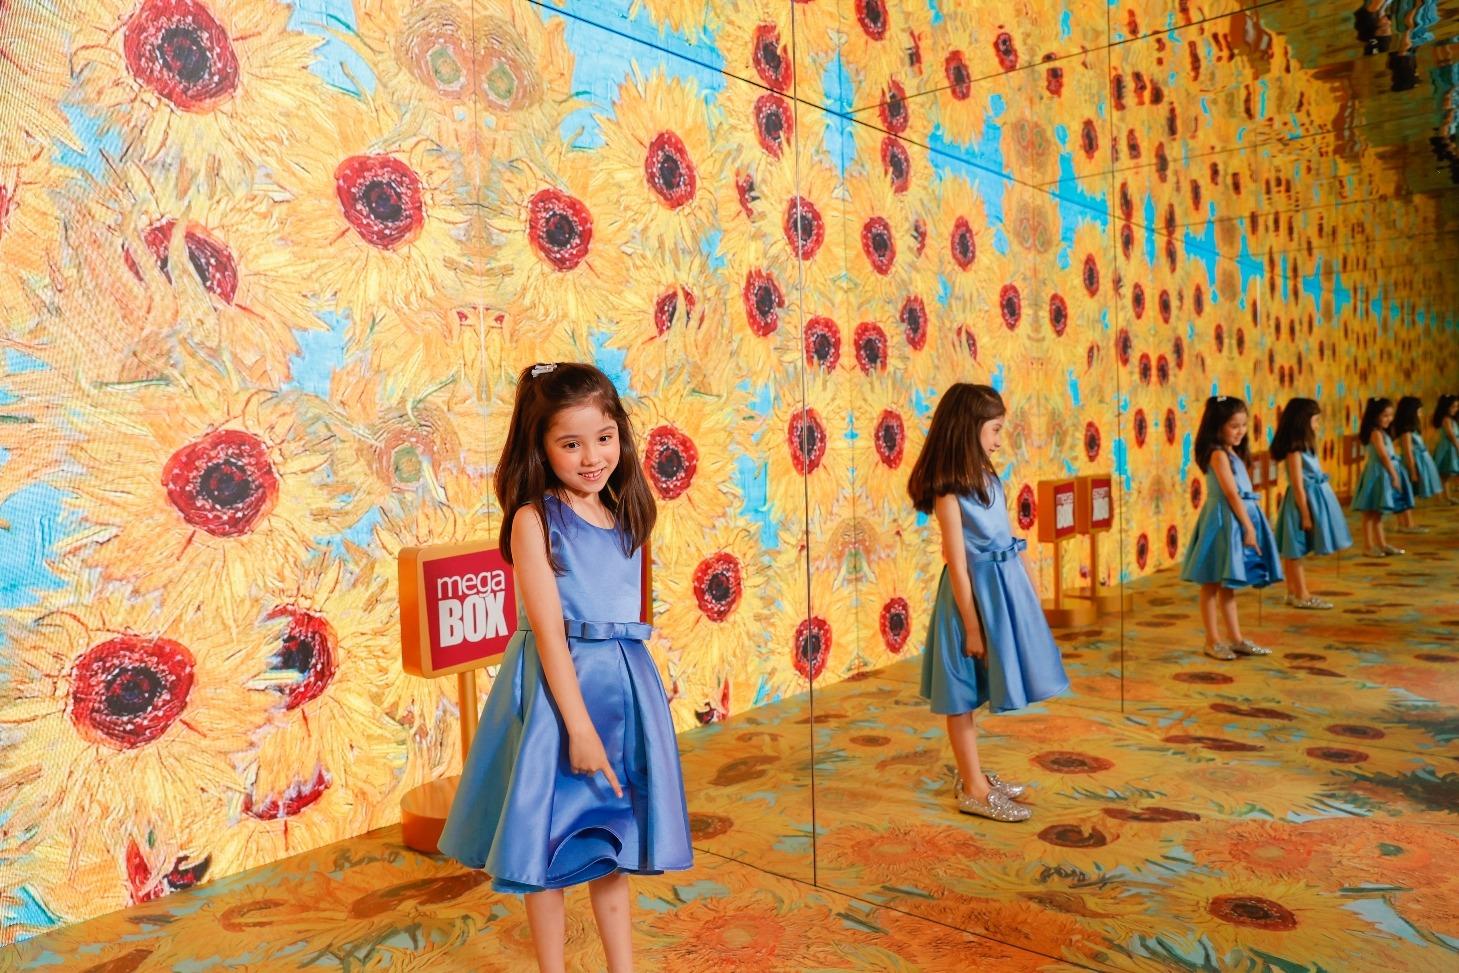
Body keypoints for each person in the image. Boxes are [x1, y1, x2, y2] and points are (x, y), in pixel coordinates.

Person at [438, 362, 691, 973]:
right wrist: (577, 728)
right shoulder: (536, 520)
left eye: (604, 437)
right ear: (541, 446)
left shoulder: (625, 513)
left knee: (612, 841)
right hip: (559, 700)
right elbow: (549, 633)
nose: (592, 457)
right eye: (571, 444)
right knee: (546, 845)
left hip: (622, 693)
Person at [908, 384, 1069, 823]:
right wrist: (972, 626)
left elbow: (1009, 536)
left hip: (1002, 592)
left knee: (981, 686)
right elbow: (957, 563)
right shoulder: (949, 492)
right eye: (994, 429)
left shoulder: (987, 476)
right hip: (970, 602)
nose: (999, 440)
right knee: (959, 693)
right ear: (968, 428)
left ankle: (974, 775)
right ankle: (974, 789)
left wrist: (1030, 592)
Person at [1180, 396, 1283, 660]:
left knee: (1228, 583)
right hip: (1223, 520)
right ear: (1217, 426)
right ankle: (1212, 640)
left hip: (1234, 519)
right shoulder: (1218, 455)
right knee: (1211, 582)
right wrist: (1249, 527)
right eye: (1234, 426)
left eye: (1244, 425)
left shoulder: (1232, 452)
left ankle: (1235, 638)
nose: (1240, 431)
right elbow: (1231, 494)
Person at [1271, 398, 1352, 609]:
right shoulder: (1295, 451)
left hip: (1311, 500)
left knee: (1294, 550)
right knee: (1294, 550)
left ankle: (1293, 592)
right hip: (1301, 504)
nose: (1317, 426)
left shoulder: (1307, 446)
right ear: (1302, 422)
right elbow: (1298, 485)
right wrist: (1306, 514)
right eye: (1315, 421)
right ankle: (1302, 595)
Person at [1352, 396, 1411, 557]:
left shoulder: (1382, 433)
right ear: (1375, 416)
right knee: (1370, 512)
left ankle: (1382, 544)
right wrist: (1394, 475)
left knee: (1378, 512)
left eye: (1391, 415)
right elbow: (1384, 457)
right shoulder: (1375, 433)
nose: (1389, 419)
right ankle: (1368, 546)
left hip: (1382, 473)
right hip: (1377, 474)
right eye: (1385, 415)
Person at [1393, 396, 1443, 528]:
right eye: (1419, 411)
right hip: (1412, 464)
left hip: (1419, 462)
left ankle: (1407, 523)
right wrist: (1413, 471)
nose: (1421, 414)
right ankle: (1405, 524)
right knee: (1406, 494)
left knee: (1408, 494)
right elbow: (1408, 452)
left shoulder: (1412, 429)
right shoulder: (1406, 432)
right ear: (1411, 413)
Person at [1431, 393, 1459, 503]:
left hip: (1452, 446)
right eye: (1453, 407)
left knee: (1448, 473)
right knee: (1446, 474)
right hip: (1448, 448)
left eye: (1457, 406)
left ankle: (1447, 495)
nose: (1455, 409)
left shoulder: (1451, 420)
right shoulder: (1446, 419)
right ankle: (1445, 496)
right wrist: (1457, 447)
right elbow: (1451, 435)